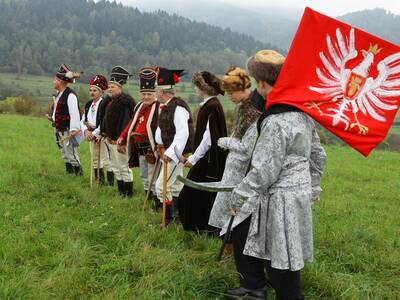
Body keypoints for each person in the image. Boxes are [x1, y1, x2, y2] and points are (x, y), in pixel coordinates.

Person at [223, 50, 327, 300]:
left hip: (280, 200)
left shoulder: (275, 121)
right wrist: (313, 186)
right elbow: (319, 155)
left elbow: (265, 171)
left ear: (260, 83)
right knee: (286, 258)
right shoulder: (302, 115)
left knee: (281, 263)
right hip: (298, 195)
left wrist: (238, 196)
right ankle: (260, 288)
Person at [208, 67, 261, 232]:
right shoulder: (242, 108)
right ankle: (227, 238)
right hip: (234, 166)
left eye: (231, 93)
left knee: (236, 207)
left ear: (244, 89)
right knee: (227, 205)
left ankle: (232, 241)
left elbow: (246, 147)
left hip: (242, 170)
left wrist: (225, 141)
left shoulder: (254, 113)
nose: (229, 97)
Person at [178, 71, 227, 233]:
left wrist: (195, 158)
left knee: (193, 192)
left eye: (197, 85)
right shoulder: (210, 105)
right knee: (199, 192)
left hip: (208, 159)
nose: (195, 88)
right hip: (206, 158)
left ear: (203, 87)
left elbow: (208, 137)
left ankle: (198, 227)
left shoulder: (212, 106)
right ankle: (201, 226)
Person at [154, 67, 194, 225]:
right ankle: (177, 218)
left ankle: (168, 220)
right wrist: (159, 144)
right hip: (167, 152)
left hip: (174, 155)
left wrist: (170, 153)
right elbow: (162, 130)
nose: (156, 93)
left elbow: (182, 135)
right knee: (176, 186)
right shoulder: (166, 107)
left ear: (163, 92)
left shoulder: (178, 108)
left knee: (161, 187)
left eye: (157, 90)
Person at [118, 67, 161, 206]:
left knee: (153, 178)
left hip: (153, 149)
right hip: (140, 149)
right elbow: (132, 124)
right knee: (144, 177)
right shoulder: (138, 107)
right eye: (143, 94)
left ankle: (156, 204)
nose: (146, 97)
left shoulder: (159, 108)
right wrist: (123, 137)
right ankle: (147, 201)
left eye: (149, 94)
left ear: (154, 94)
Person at [102, 66, 136, 197]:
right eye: (109, 87)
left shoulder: (124, 103)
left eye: (113, 87)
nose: (110, 89)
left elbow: (125, 123)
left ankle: (128, 193)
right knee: (116, 167)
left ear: (120, 88)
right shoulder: (111, 102)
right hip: (110, 139)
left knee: (124, 167)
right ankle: (121, 191)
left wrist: (122, 141)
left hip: (120, 141)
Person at [51, 64, 83, 176]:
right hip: (58, 129)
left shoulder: (70, 95)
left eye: (55, 79)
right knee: (64, 154)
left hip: (67, 130)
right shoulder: (59, 94)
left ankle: (79, 176)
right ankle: (70, 175)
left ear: (60, 81)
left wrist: (74, 129)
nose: (53, 81)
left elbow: (74, 113)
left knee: (71, 154)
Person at [81, 74, 113, 185]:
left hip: (102, 134)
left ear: (101, 92)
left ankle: (110, 183)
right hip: (90, 133)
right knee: (94, 159)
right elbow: (83, 120)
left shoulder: (105, 104)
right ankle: (100, 181)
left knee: (106, 159)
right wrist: (86, 131)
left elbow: (104, 122)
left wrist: (95, 134)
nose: (92, 92)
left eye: (95, 90)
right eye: (90, 90)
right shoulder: (88, 104)